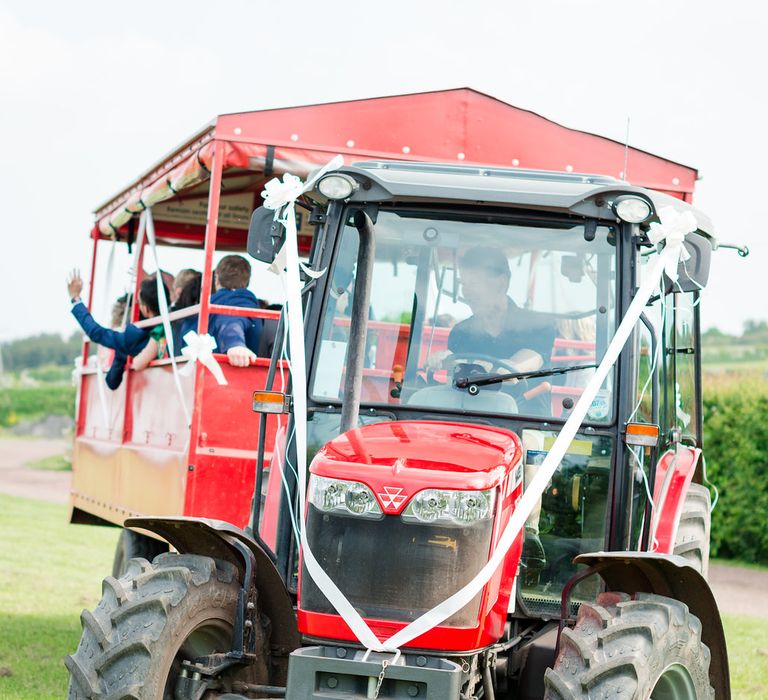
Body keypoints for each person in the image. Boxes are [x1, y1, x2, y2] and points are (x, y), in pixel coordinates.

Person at [447, 246, 556, 372]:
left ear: (501, 283)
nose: (466, 291)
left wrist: (463, 362)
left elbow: (514, 370)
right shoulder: (460, 332)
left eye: (474, 283)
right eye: (463, 283)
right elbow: (455, 384)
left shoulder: (538, 327)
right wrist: (446, 361)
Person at [67, 270, 170, 389]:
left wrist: (76, 299)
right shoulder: (175, 322)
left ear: (145, 309)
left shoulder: (133, 336)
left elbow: (97, 333)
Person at [208, 255, 263, 367]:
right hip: (227, 375)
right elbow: (232, 317)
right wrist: (234, 344)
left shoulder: (204, 305)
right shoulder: (242, 297)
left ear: (216, 278)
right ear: (247, 281)